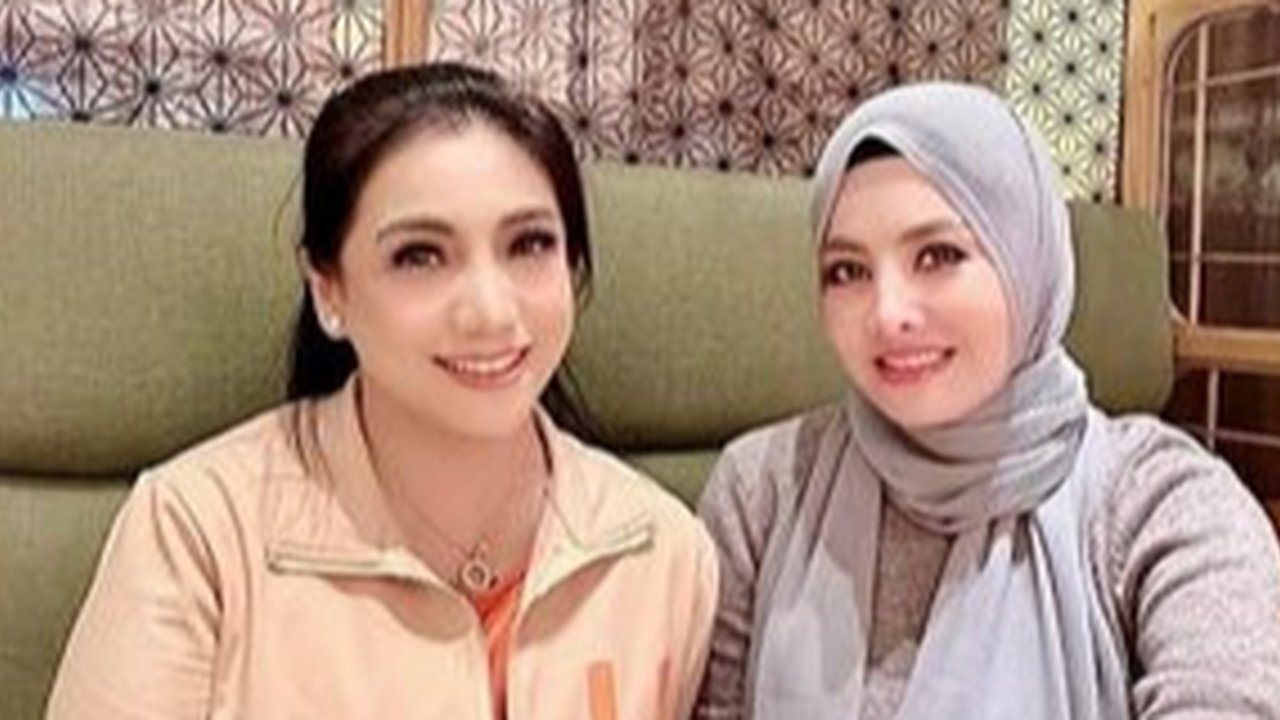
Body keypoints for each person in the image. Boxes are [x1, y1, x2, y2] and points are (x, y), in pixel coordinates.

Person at [48, 62, 716, 720]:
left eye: (530, 244)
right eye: (419, 255)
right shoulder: (197, 530)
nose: (490, 310)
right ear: (329, 290)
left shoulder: (665, 553)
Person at [694, 82, 1280, 719]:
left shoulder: (1154, 499)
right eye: (848, 271)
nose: (887, 314)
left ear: (1029, 260)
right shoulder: (763, 487)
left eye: (938, 255)